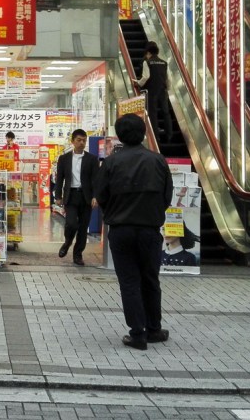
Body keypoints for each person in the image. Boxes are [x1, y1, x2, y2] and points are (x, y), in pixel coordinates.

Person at [95, 112, 173, 350]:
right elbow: (167, 196)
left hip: (120, 230)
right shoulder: (158, 160)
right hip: (150, 229)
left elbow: (102, 195)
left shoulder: (110, 162)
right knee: (150, 279)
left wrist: (113, 214)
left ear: (119, 136)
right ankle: (154, 329)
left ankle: (137, 334)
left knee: (129, 281)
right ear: (143, 133)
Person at [54, 128, 100, 266]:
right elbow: (60, 179)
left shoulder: (92, 159)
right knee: (71, 223)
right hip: (71, 195)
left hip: (86, 197)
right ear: (72, 141)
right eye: (79, 140)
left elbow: (96, 180)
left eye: (84, 140)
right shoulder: (64, 159)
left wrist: (95, 196)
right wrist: (58, 196)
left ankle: (78, 254)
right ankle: (67, 242)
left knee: (83, 227)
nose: (82, 143)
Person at [135, 41, 174, 142]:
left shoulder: (146, 62)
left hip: (151, 91)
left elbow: (146, 77)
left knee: (153, 113)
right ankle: (169, 134)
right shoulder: (164, 63)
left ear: (148, 53)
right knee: (166, 113)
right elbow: (169, 79)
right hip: (162, 90)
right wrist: (167, 88)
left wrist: (138, 83)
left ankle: (156, 136)